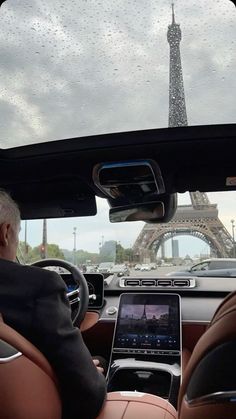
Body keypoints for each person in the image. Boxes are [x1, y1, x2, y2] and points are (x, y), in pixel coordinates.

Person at [0, 189, 106, 419]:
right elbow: (87, 395)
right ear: (5, 232)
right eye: (18, 235)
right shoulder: (41, 284)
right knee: (100, 363)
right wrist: (90, 375)